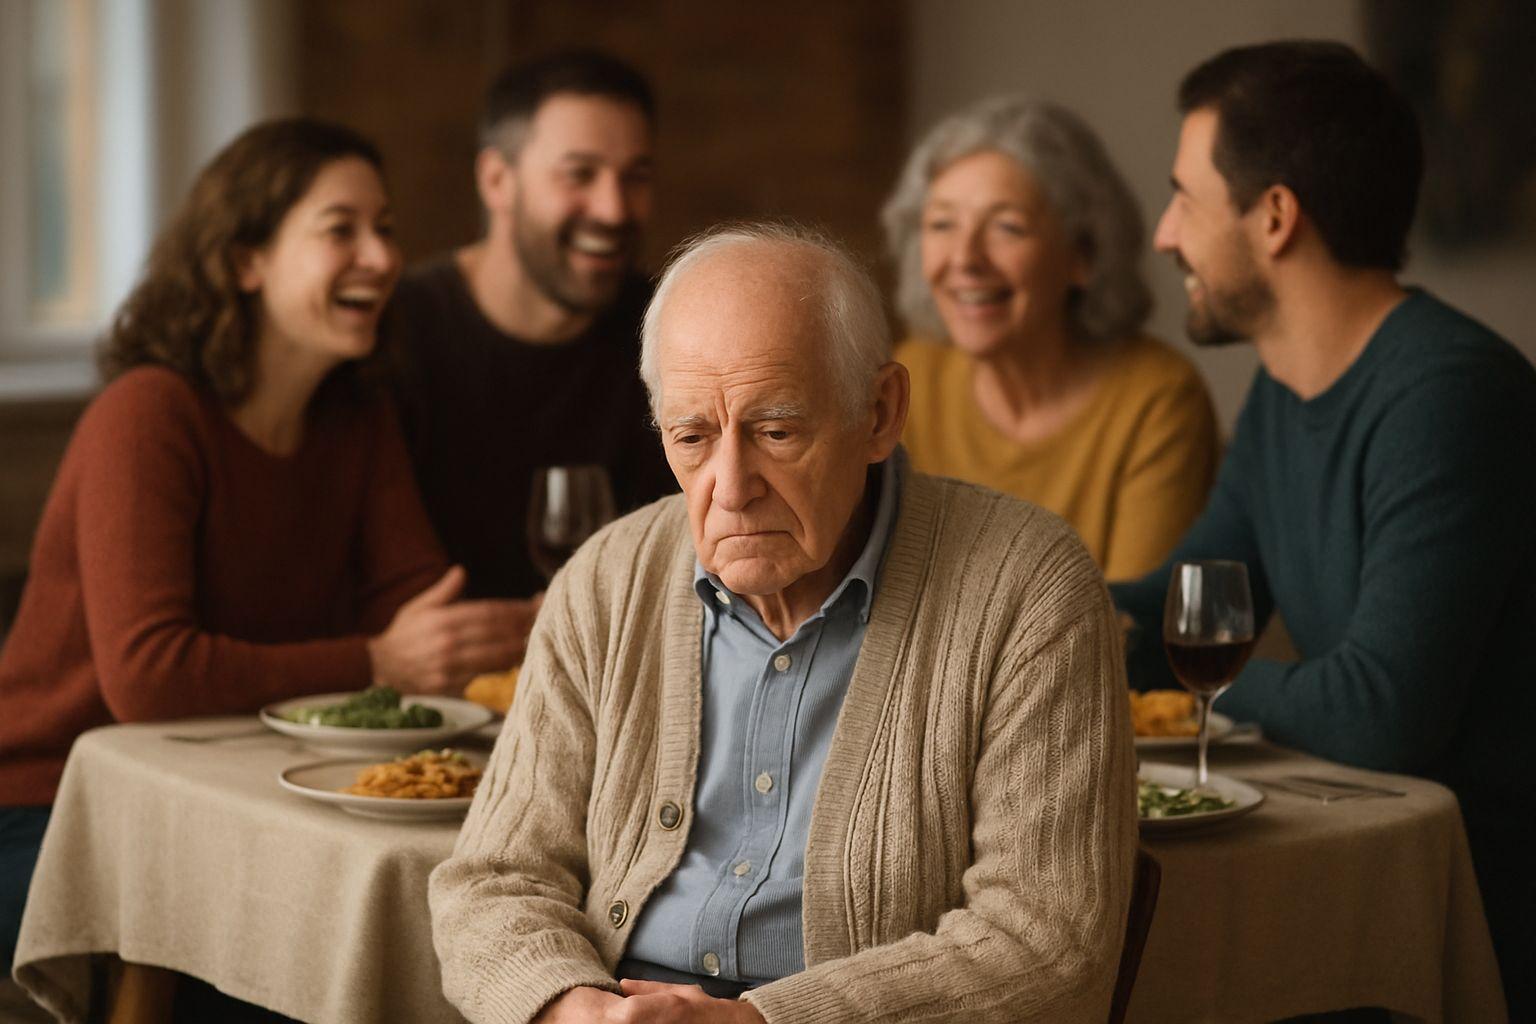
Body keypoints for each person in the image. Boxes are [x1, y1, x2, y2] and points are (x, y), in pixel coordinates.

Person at [429, 223, 1137, 1024]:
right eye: (692, 437)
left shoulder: (1029, 587)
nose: (731, 487)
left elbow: (1046, 942)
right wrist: (569, 1008)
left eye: (776, 431)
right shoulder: (605, 579)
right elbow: (493, 879)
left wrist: (762, 1023)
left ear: (880, 411)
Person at [0, 118, 527, 980]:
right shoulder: (148, 414)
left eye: (385, 228)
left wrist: (535, 625)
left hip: (237, 801)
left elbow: (419, 608)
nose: (381, 257)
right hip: (48, 810)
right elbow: (148, 676)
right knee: (269, 946)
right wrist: (378, 660)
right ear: (246, 260)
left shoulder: (356, 420)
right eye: (340, 230)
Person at [1110, 41, 1536, 1015]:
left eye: (1184, 196)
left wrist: (1180, 683)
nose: (1167, 233)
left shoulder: (1449, 395)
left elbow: (1378, 712)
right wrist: (1023, 613)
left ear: (1273, 216)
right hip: (1380, 864)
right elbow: (1186, 609)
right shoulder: (1279, 394)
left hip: (1477, 912)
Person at [883, 97, 1218, 581]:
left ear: (1083, 252)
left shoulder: (1157, 398)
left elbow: (1132, 627)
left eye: (1007, 227)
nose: (965, 258)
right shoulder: (911, 378)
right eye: (942, 224)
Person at [389, 50, 675, 603]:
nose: (613, 209)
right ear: (497, 180)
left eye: (635, 177)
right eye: (580, 175)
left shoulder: (669, 329)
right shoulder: (399, 331)